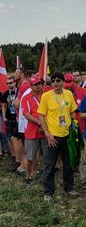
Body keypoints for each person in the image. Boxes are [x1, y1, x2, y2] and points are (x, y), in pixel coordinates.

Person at [37, 71, 79, 201]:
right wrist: (47, 134)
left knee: (68, 164)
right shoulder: (46, 96)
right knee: (49, 166)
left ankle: (69, 189)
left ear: (62, 82)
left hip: (67, 136)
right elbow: (41, 116)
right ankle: (48, 193)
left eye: (58, 80)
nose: (55, 83)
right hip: (53, 137)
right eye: (53, 81)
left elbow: (72, 112)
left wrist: (74, 128)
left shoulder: (68, 94)